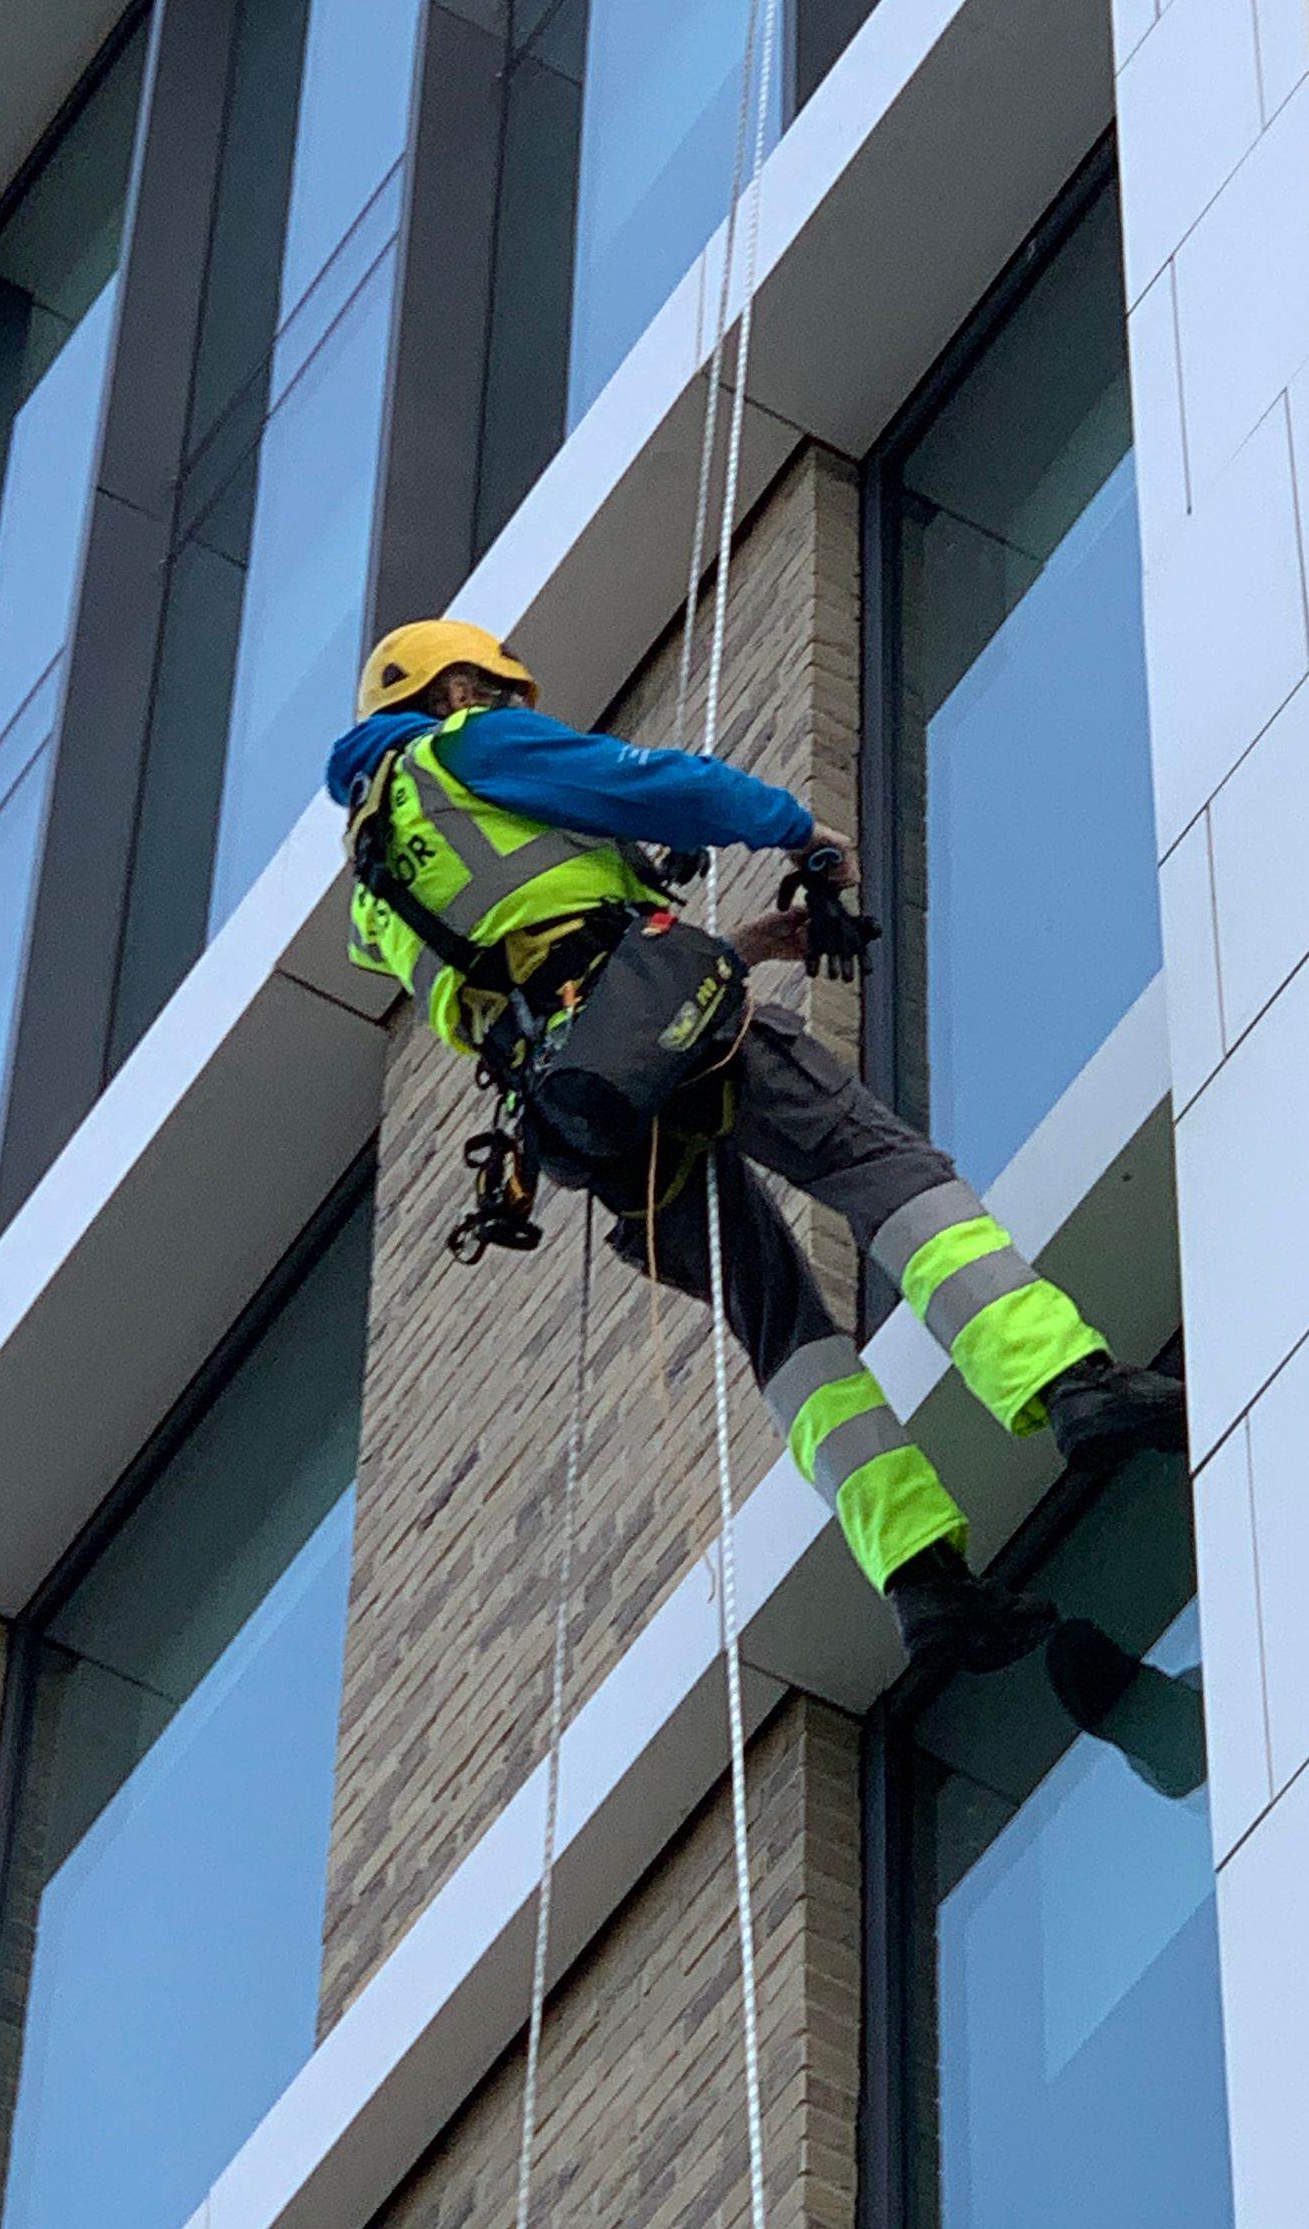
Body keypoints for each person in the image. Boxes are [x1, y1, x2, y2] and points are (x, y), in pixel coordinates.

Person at [326, 619, 1188, 1682]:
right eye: (496, 689)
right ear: (456, 685)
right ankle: (1068, 1382)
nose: (509, 707)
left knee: (777, 1316)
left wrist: (743, 947)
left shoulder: (371, 887)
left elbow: (539, 965)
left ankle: (922, 1579)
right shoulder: (461, 750)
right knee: (878, 1168)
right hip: (646, 1028)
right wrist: (796, 833)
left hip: (586, 1112)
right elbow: (652, 782)